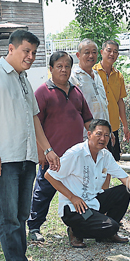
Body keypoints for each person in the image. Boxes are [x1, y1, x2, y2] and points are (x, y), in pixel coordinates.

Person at [0, 30, 60, 261]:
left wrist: (47, 149)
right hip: (2, 158)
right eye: (26, 51)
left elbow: (34, 118)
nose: (31, 57)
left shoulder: (24, 79)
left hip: (26, 157)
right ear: (11, 49)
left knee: (22, 214)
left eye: (34, 53)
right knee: (9, 216)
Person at [45, 119, 130, 248]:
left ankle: (107, 234)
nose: (102, 138)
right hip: (74, 208)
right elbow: (49, 176)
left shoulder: (105, 155)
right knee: (112, 226)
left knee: (124, 190)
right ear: (89, 134)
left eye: (106, 135)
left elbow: (127, 180)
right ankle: (75, 231)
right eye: (98, 134)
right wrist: (72, 197)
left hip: (93, 202)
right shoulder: (75, 153)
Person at [27, 51, 93, 242]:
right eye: (59, 66)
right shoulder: (42, 92)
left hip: (75, 156)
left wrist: (98, 138)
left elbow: (88, 120)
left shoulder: (76, 91)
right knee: (43, 192)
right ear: (51, 69)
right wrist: (42, 152)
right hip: (52, 155)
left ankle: (76, 229)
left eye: (67, 66)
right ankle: (34, 227)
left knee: (78, 193)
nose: (64, 70)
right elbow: (35, 124)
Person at [93, 40, 130, 161]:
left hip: (113, 126)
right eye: (109, 50)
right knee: (97, 161)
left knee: (113, 160)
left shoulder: (118, 76)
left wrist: (125, 126)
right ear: (102, 52)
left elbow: (120, 101)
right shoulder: (92, 73)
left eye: (115, 52)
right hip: (96, 126)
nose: (112, 54)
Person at [69, 39, 110, 142]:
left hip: (103, 135)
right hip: (86, 137)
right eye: (87, 52)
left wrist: (109, 132)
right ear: (78, 55)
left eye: (94, 52)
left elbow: (103, 105)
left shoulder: (97, 75)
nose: (91, 56)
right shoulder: (73, 78)